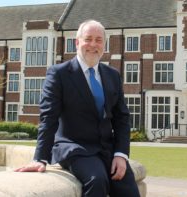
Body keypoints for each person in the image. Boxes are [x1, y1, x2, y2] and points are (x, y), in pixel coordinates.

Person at [15, 19, 140, 197]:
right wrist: (40, 158)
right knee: (97, 180)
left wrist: (120, 154)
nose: (93, 45)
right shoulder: (59, 74)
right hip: (74, 147)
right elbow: (48, 117)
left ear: (104, 44)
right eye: (88, 39)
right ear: (77, 42)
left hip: (106, 149)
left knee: (127, 187)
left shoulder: (113, 75)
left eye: (98, 40)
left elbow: (122, 118)